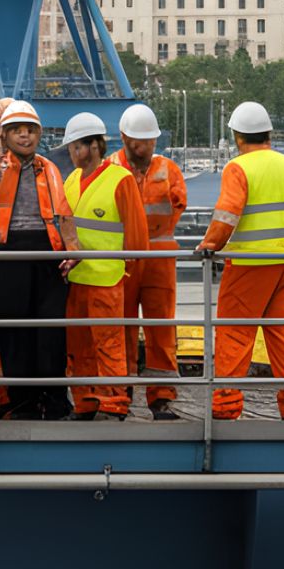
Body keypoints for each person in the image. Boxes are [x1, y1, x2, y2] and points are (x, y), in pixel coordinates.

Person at [195, 101, 284, 420]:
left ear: (238, 137)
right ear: (267, 133)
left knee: (234, 334)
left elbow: (227, 215)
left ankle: (226, 410)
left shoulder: (238, 168)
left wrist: (208, 246)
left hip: (248, 269)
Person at [0, 101, 77, 421]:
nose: (25, 137)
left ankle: (54, 400)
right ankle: (22, 401)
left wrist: (72, 250)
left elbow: (63, 212)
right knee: (13, 331)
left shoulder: (48, 168)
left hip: (46, 253)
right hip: (5, 254)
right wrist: (3, 166)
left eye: (30, 130)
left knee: (51, 330)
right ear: (4, 134)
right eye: (17, 131)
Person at [59, 114, 147, 421]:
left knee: (108, 343)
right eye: (70, 147)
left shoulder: (120, 181)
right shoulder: (70, 181)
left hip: (107, 279)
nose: (72, 153)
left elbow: (137, 237)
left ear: (94, 145)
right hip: (76, 279)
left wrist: (127, 268)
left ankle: (113, 403)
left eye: (76, 146)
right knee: (78, 345)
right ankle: (84, 402)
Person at [113, 103, 187, 418]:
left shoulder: (168, 169)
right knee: (122, 327)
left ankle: (161, 396)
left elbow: (178, 205)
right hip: (124, 259)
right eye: (139, 140)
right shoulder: (111, 169)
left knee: (161, 328)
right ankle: (120, 394)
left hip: (158, 258)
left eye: (150, 140)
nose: (145, 146)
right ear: (124, 138)